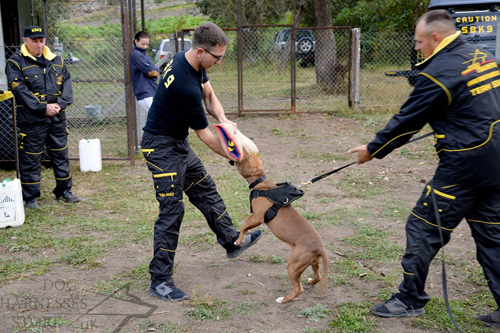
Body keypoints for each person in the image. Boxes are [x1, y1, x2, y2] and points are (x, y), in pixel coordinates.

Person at [348, 10, 500, 327]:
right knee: (491, 235)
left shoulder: (438, 73)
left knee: (422, 227)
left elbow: (407, 122)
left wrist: (373, 150)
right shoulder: (482, 55)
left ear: (436, 38)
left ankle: (409, 299)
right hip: (495, 161)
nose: (416, 48)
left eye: (418, 41)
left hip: (464, 166)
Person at [141, 22, 262, 301]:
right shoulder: (185, 87)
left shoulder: (191, 60)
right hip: (161, 149)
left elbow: (210, 95)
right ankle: (160, 280)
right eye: (217, 58)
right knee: (172, 211)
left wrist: (223, 120)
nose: (219, 62)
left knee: (205, 189)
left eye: (221, 57)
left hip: (176, 143)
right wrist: (238, 157)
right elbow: (207, 137)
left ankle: (232, 241)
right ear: (200, 51)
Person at [5, 26, 82, 209]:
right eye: (34, 41)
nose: (39, 45)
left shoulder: (57, 61)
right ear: (25, 41)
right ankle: (30, 197)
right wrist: (42, 108)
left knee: (61, 154)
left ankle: (64, 191)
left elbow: (67, 86)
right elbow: (19, 90)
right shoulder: (15, 62)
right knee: (31, 158)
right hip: (32, 120)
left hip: (57, 118)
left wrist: (60, 105)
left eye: (42, 40)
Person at [130, 31, 158, 114]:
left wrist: (153, 69)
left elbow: (155, 71)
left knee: (157, 120)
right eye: (142, 44)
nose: (145, 46)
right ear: (136, 41)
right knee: (158, 119)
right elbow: (152, 71)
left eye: (147, 44)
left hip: (152, 91)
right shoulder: (136, 54)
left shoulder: (145, 56)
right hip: (145, 94)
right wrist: (152, 69)